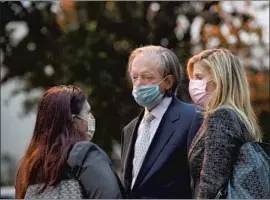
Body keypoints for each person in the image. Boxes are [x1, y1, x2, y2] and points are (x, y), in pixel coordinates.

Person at [120, 45, 203, 198]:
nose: (138, 84)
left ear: (168, 82)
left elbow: (202, 181)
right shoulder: (130, 129)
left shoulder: (193, 118)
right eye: (135, 77)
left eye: (147, 77)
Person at [15, 85, 124, 199]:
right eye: (87, 112)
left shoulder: (28, 167)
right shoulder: (84, 155)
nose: (91, 118)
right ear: (74, 120)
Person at [187, 48, 263, 198]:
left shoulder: (221, 117)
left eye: (198, 77)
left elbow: (211, 181)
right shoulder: (239, 117)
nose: (193, 84)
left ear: (218, 78)